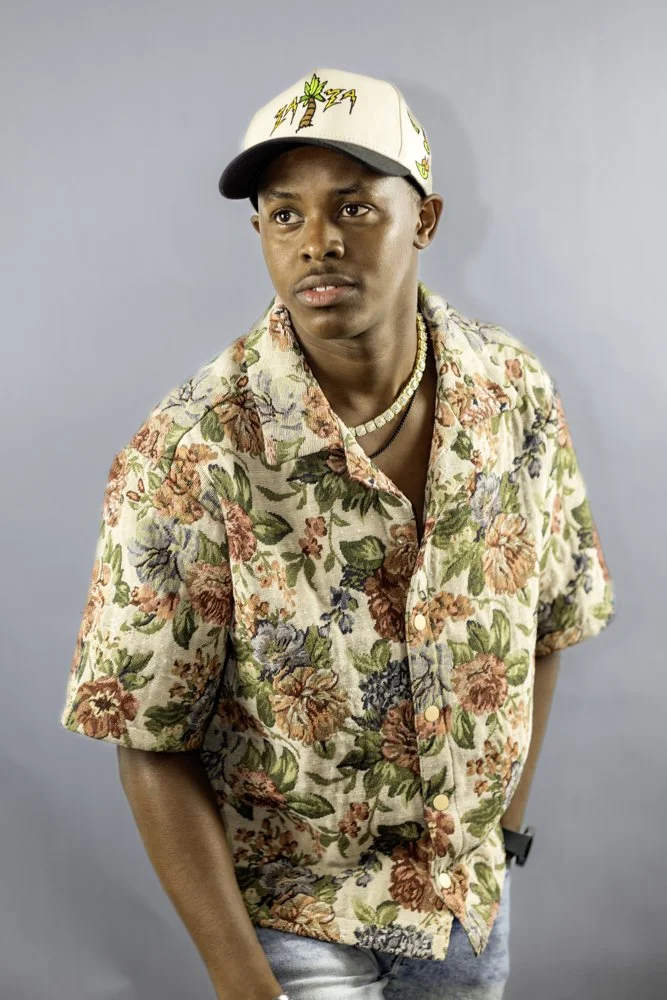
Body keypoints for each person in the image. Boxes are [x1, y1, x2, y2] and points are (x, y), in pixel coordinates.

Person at [59, 67, 615, 1000]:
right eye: (285, 215)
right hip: (292, 915)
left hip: (463, 903)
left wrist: (499, 834)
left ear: (425, 219)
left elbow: (544, 624)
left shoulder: (509, 393)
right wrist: (244, 983)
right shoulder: (190, 449)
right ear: (261, 233)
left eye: (355, 207)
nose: (317, 242)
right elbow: (146, 735)